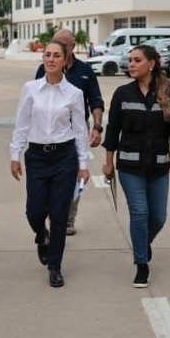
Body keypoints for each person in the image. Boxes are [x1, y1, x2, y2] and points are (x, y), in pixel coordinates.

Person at [103, 44, 170, 287]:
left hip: (159, 165)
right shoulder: (122, 94)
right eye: (130, 60)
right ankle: (141, 264)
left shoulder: (168, 92)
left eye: (137, 60)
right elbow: (113, 130)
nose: (132, 64)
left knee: (158, 217)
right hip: (129, 166)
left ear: (152, 63)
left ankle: (142, 243)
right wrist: (108, 162)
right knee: (140, 213)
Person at [12, 40, 89, 288]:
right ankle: (41, 235)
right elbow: (22, 124)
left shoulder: (74, 94)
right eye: (47, 55)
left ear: (65, 61)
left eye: (56, 55)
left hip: (64, 157)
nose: (51, 59)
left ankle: (55, 266)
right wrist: (15, 155)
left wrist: (83, 163)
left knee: (59, 214)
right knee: (34, 211)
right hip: (36, 156)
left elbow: (80, 130)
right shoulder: (31, 89)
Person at [35, 29, 104, 236]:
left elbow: (96, 100)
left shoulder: (85, 71)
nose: (56, 50)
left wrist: (97, 127)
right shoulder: (43, 69)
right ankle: (52, 214)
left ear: (72, 48)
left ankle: (68, 218)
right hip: (49, 135)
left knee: (75, 176)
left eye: (62, 45)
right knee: (50, 178)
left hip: (76, 134)